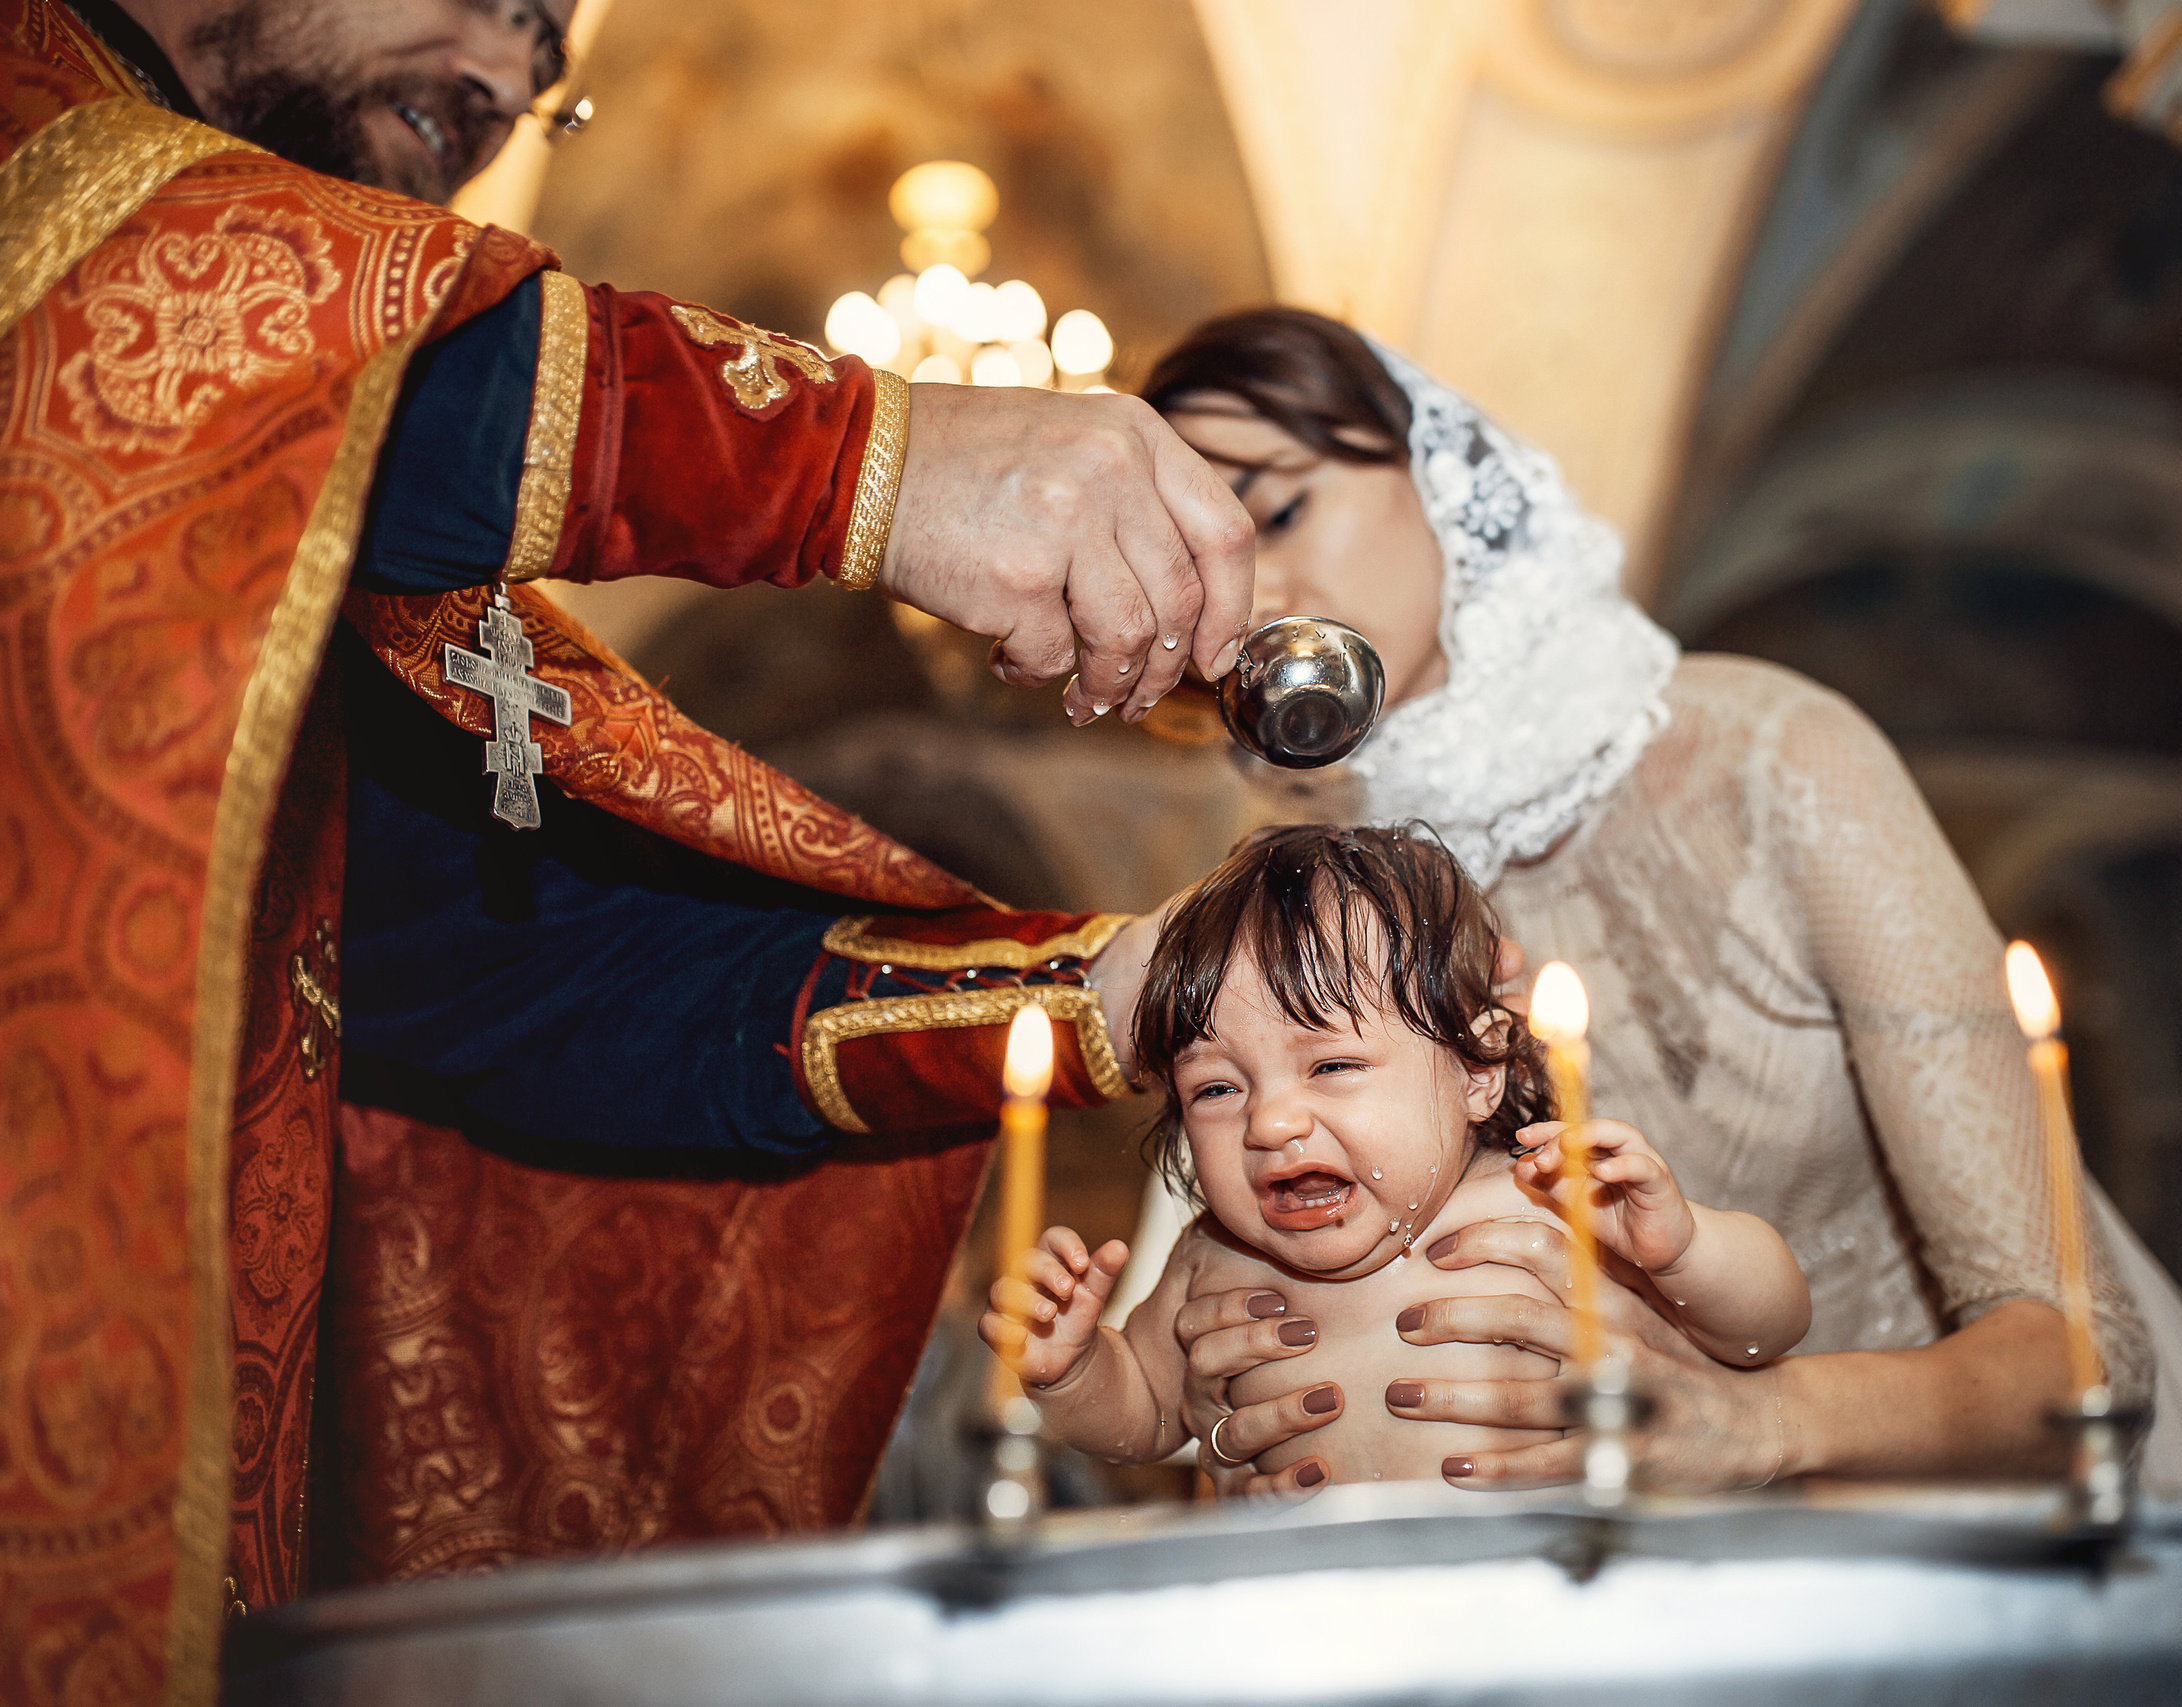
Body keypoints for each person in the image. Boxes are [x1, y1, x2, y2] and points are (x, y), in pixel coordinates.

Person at [1, 1, 1251, 1698]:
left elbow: (511, 976)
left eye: (557, 59)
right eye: (514, 1)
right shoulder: (47, 134)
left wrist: (1099, 983)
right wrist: (896, 465)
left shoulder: (262, 523)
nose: (525, 81)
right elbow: (222, 293)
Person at [1137, 308, 2182, 1501]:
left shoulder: (1772, 756)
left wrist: (1754, 1419)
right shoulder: (1300, 896)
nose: (1259, 591)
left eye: (1274, 509)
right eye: (1203, 566)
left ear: (1436, 472)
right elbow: (1203, 1339)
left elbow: (2085, 1360)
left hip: (1981, 1534)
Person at [985, 825, 1806, 1494]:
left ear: (1479, 1071)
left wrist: (1688, 1249)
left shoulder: (1545, 1202)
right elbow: (1148, 1417)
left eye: (1332, 1065)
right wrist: (1075, 1368)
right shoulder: (1214, 1260)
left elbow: (1765, 1330)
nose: (1271, 1121)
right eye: (1216, 1089)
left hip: (1549, 1605)